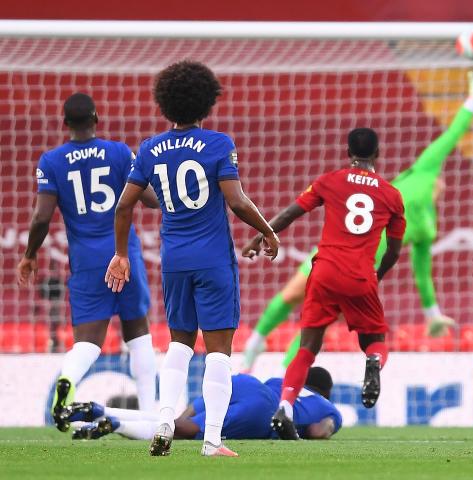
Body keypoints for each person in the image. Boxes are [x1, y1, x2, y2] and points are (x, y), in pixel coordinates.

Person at [239, 65, 473, 373]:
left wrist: (432, 314)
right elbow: (453, 134)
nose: (443, 183)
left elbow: (422, 272)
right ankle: (255, 344)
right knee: (294, 293)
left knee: (320, 321)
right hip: (340, 255)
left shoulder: (428, 225)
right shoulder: (425, 170)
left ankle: (284, 372)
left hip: (356, 268)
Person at [106, 60, 280, 457]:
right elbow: (235, 200)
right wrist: (267, 230)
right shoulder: (218, 144)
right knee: (219, 349)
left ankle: (165, 418)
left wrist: (120, 254)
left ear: (165, 104)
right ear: (206, 102)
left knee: (179, 343)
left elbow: (124, 206)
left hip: (174, 261)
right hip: (213, 260)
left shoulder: (150, 148)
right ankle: (213, 440)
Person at [241, 127, 405, 440]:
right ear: (378, 154)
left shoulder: (329, 180)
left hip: (324, 271)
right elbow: (394, 250)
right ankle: (372, 362)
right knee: (376, 339)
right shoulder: (392, 195)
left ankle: (286, 407)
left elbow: (291, 213)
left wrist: (260, 236)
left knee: (307, 347)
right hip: (360, 276)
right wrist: (377, 276)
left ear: (348, 153)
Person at [18, 93, 159, 431]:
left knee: (87, 341)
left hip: (86, 259)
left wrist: (29, 255)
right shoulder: (119, 152)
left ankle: (67, 383)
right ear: (96, 118)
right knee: (137, 330)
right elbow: (152, 201)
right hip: (123, 251)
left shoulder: (51, 161)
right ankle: (152, 412)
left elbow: (41, 218)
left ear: (65, 123)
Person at [69, 367, 341, 441]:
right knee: (187, 432)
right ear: (325, 392)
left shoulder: (282, 379)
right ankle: (117, 424)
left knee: (178, 419)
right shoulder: (329, 409)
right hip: (263, 411)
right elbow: (320, 430)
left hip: (247, 383)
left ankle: (102, 411)